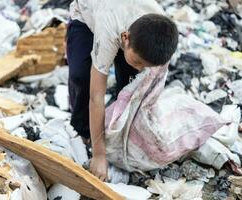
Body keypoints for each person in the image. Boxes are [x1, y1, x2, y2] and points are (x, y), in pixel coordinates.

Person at [66, 0, 179, 181]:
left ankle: (121, 133)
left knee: (130, 83)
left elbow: (152, 85)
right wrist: (99, 155)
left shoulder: (161, 30)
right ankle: (83, 130)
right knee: (81, 77)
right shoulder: (108, 29)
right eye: (139, 63)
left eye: (146, 65)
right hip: (87, 17)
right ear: (125, 38)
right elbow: (96, 96)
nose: (142, 68)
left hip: (129, 33)